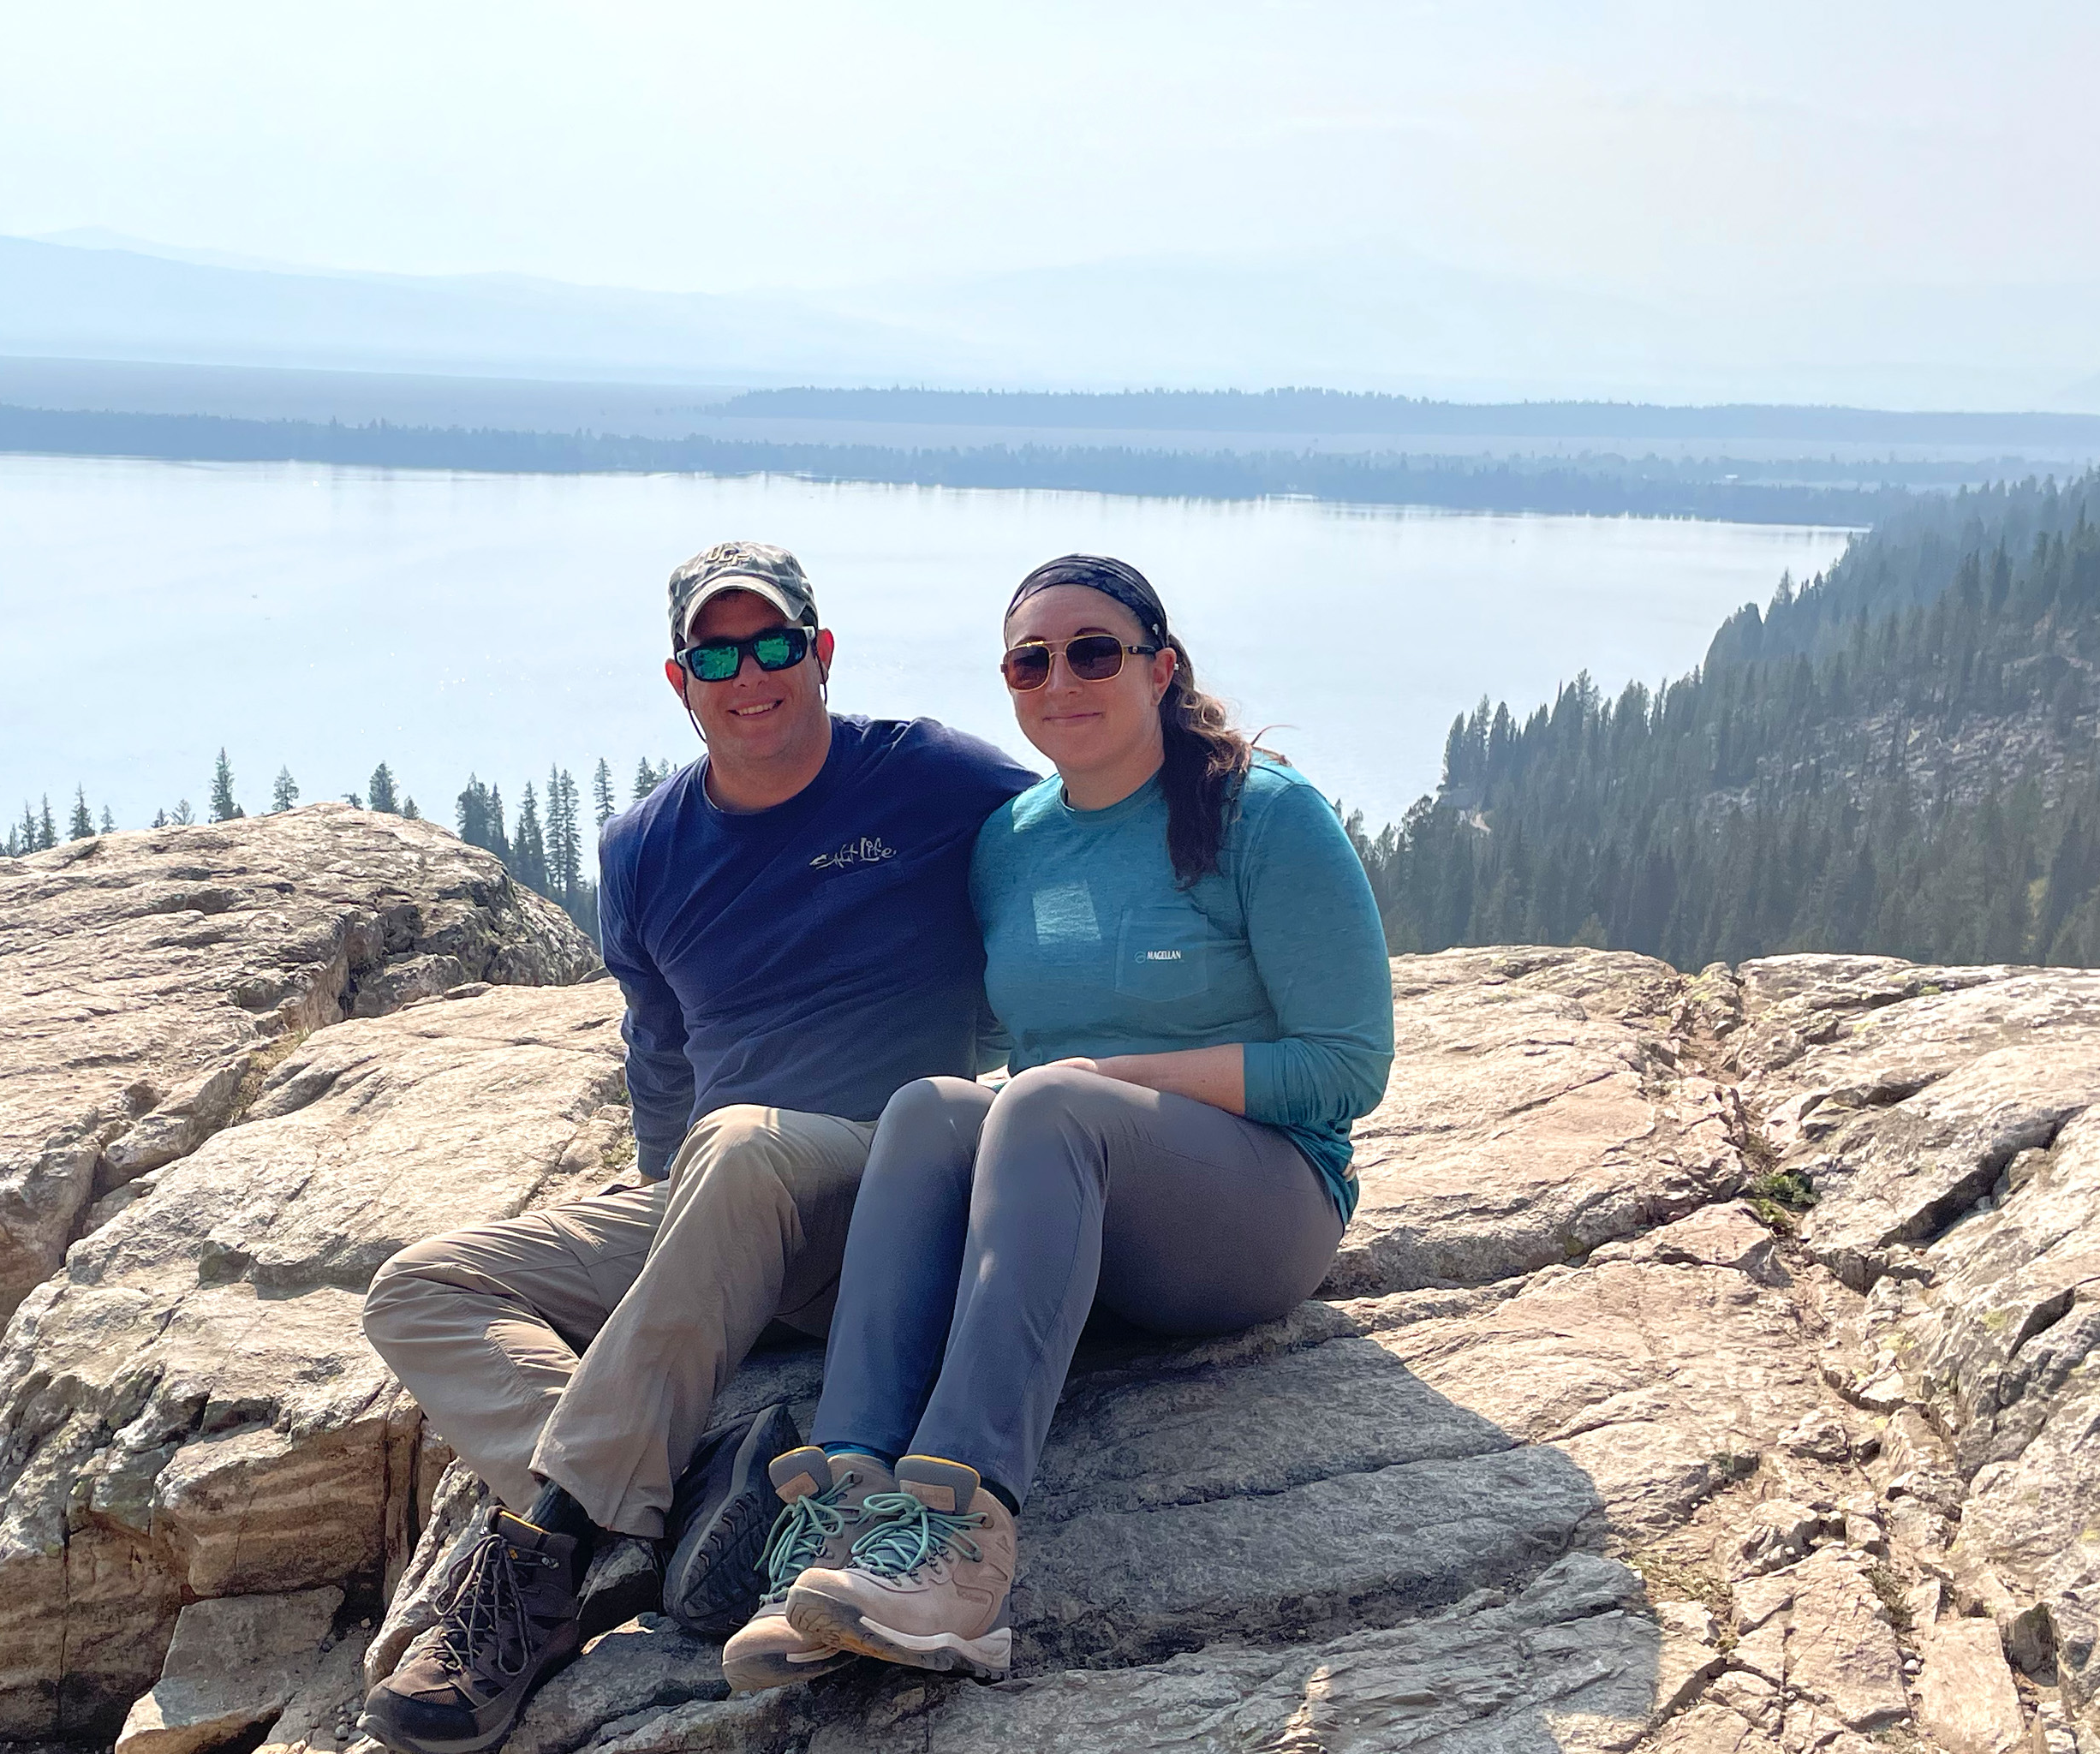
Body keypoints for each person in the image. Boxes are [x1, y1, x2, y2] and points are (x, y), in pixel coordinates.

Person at [359, 541, 1037, 1752]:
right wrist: (671, 1223)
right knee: (422, 1287)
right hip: (720, 1199)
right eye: (717, 653)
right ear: (681, 680)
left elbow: (1085, 814)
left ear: (820, 654)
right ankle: (682, 1516)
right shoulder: (644, 850)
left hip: (881, 1199)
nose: (750, 672)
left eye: (775, 644)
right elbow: (660, 1053)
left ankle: (547, 1556)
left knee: (737, 1148)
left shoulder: (927, 777)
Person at [723, 552, 1395, 1685]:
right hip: (1089, 1223)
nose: (1059, 679)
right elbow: (994, 1044)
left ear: (1159, 667)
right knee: (932, 1108)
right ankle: (847, 1516)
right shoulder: (1013, 843)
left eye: (1094, 651)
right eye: (1030, 660)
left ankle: (961, 1552)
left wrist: (1130, 1077)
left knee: (1043, 1101)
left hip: (1258, 1210)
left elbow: (1346, 1064)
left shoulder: (1264, 816)